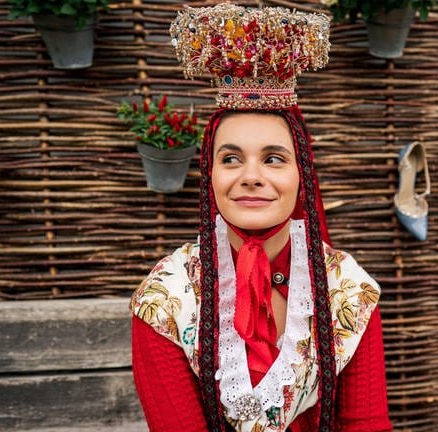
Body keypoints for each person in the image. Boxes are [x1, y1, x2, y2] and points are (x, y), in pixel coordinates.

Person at [129, 3, 392, 431]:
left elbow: (367, 423)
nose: (251, 177)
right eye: (231, 159)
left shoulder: (349, 288)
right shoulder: (165, 297)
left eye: (273, 159)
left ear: (301, 175)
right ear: (209, 175)